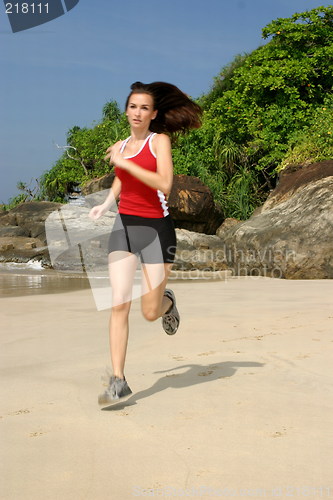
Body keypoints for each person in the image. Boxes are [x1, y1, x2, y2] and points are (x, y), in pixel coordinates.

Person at [89, 81, 202, 405]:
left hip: (156, 230)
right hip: (124, 226)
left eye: (144, 108)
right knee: (118, 303)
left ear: (153, 114)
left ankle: (167, 302)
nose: (137, 112)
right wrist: (108, 203)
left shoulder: (159, 142)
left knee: (149, 312)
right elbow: (123, 179)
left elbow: (164, 184)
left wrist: (125, 164)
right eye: (133, 106)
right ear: (126, 110)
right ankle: (118, 381)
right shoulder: (121, 145)